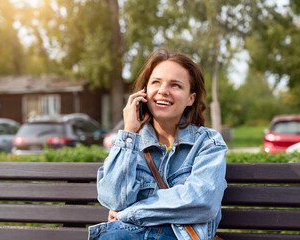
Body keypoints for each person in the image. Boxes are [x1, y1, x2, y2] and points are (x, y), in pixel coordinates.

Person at [88, 48, 227, 240]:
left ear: (190, 98)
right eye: (156, 82)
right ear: (144, 92)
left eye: (175, 85)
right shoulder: (131, 144)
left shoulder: (207, 143)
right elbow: (114, 200)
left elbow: (202, 202)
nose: (163, 91)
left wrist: (131, 213)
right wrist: (128, 133)